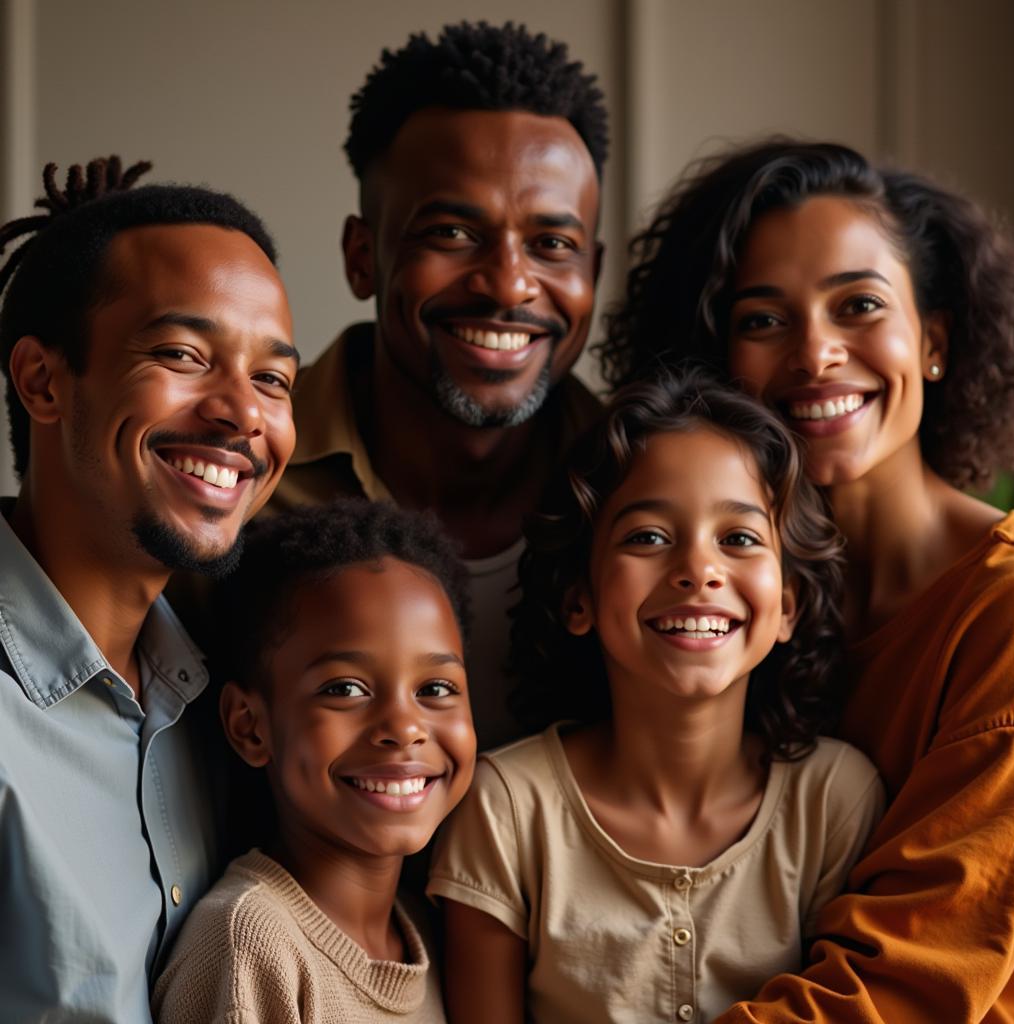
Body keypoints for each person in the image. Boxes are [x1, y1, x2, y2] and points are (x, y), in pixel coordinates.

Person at [598, 139, 1014, 1022]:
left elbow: (906, 985)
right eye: (762, 320)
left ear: (934, 340)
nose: (816, 355)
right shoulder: (705, 610)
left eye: (858, 305)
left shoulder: (1007, 618)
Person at [428, 369, 885, 1023]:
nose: (699, 569)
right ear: (579, 598)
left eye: (740, 539)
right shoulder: (505, 809)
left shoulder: (835, 801)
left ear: (787, 606)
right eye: (647, 537)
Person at [0, 156, 298, 1022]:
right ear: (44, 382)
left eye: (273, 378)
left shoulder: (225, 698)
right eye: (182, 354)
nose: (243, 414)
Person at [271, 21, 608, 749]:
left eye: (553, 245)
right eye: (453, 234)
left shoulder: (641, 489)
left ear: (594, 274)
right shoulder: (244, 475)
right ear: (364, 258)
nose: (509, 285)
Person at [152, 499, 476, 1023]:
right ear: (249, 726)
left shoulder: (424, 928)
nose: (404, 728)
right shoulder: (251, 943)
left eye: (435, 688)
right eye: (345, 688)